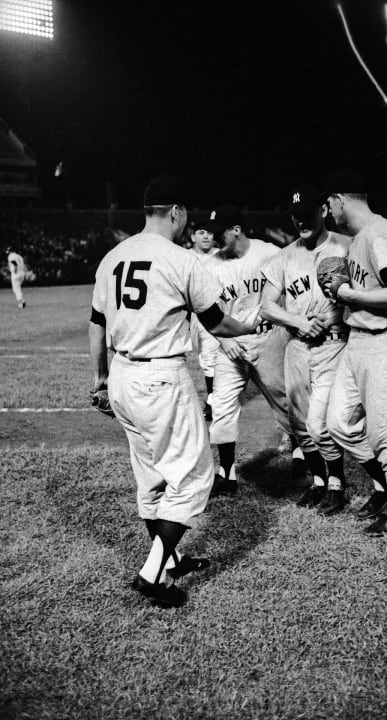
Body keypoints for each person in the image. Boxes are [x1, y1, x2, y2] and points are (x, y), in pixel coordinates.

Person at [88, 176, 260, 608]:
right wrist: (252, 326)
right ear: (177, 211)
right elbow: (218, 322)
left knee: (150, 476)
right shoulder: (179, 259)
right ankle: (153, 572)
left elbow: (97, 323)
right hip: (162, 375)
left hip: (123, 375)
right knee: (194, 476)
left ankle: (172, 560)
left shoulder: (113, 256)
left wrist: (101, 379)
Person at [324, 168, 387, 535]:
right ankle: (385, 486)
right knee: (339, 424)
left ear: (340, 200)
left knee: (384, 433)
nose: (328, 212)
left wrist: (348, 294)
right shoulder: (359, 237)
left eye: (328, 204)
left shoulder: (378, 233)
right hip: (360, 340)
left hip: (384, 342)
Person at [261, 185, 351, 515]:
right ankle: (318, 482)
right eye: (296, 217)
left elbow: (364, 295)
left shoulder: (346, 247)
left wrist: (332, 316)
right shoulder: (284, 257)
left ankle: (337, 483)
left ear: (324, 211)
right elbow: (266, 307)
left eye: (308, 215)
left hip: (334, 346)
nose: (302, 222)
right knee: (300, 424)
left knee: (319, 423)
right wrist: (298, 321)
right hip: (297, 347)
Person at [203, 205, 303, 496]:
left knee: (284, 400)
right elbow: (207, 313)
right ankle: (227, 473)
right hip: (229, 345)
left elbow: (291, 289)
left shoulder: (269, 253)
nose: (212, 238)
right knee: (220, 406)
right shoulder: (210, 266)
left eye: (218, 232)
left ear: (236, 229)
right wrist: (224, 340)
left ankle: (300, 449)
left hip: (268, 339)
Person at [189, 220, 220, 421]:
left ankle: (212, 400)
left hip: (216, 311)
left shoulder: (221, 256)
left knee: (211, 357)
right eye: (201, 232)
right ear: (193, 236)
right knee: (202, 357)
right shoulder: (186, 257)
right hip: (192, 314)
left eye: (209, 232)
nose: (206, 236)